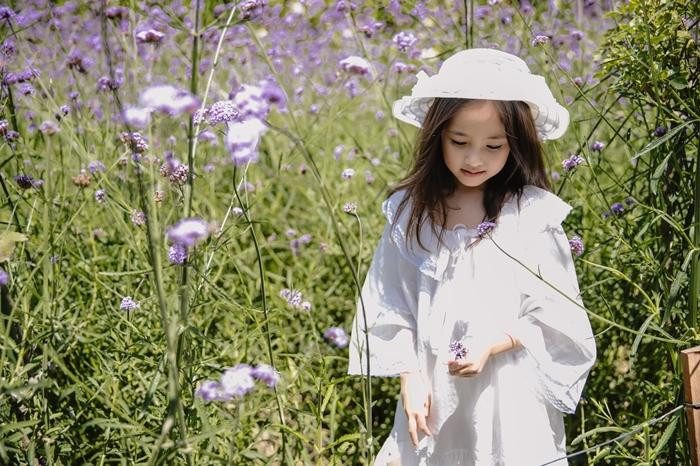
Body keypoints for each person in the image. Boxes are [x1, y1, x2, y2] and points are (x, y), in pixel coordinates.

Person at [347, 48, 597, 466]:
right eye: (459, 142)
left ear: (516, 146)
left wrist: (493, 344)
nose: (474, 158)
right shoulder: (413, 213)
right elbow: (389, 302)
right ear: (437, 136)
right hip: (434, 392)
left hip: (508, 392)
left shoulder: (530, 214)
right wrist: (410, 377)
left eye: (493, 145)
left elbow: (556, 310)